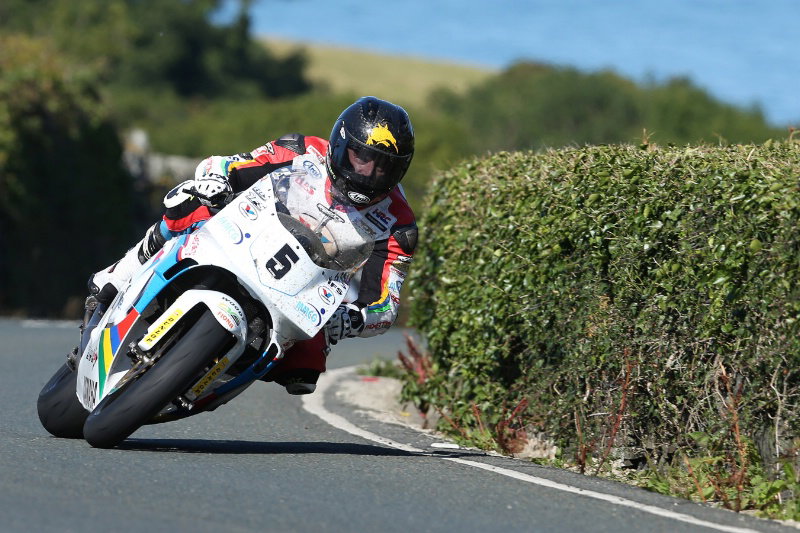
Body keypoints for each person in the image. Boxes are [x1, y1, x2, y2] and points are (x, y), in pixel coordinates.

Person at [88, 96, 417, 395]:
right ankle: (119, 273)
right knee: (188, 205)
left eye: (383, 166)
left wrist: (348, 320)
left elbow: (385, 305)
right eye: (362, 157)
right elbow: (227, 164)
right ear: (341, 143)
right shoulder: (301, 149)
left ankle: (211, 374)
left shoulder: (399, 225)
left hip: (303, 291)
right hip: (246, 237)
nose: (369, 173)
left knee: (304, 372)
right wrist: (217, 180)